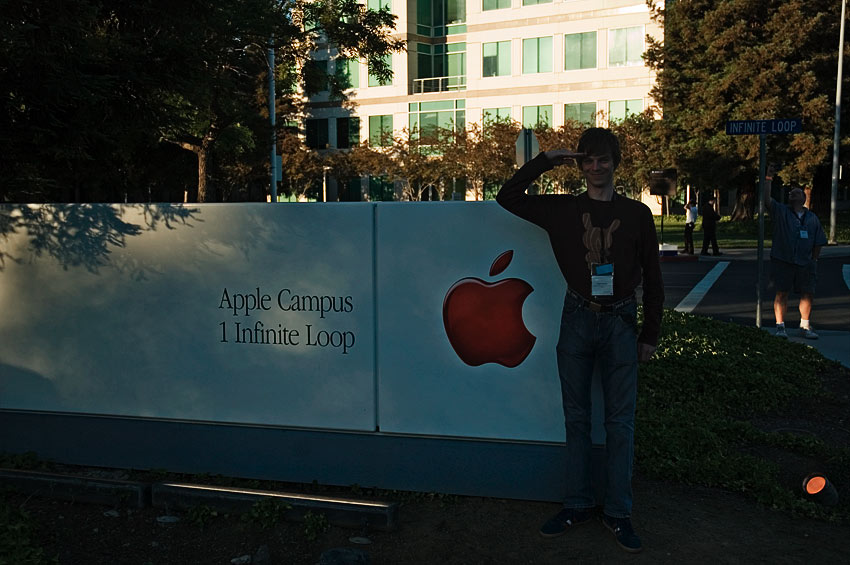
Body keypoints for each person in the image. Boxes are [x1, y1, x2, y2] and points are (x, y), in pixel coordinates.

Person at [496, 128, 664, 554]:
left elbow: (655, 279)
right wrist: (548, 158)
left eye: (603, 159)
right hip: (577, 318)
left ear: (615, 163)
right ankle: (577, 504)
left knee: (620, 422)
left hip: (622, 322)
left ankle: (618, 512)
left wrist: (650, 334)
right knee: (576, 418)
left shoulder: (638, 214)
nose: (595, 167)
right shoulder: (563, 211)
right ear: (580, 165)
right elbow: (508, 196)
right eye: (587, 160)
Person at [763, 171, 827, 339]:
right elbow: (766, 199)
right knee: (782, 292)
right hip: (783, 260)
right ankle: (780, 326)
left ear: (803, 198)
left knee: (807, 293)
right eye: (791, 193)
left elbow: (819, 240)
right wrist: (768, 178)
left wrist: (814, 259)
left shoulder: (811, 218)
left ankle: (805, 325)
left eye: (796, 192)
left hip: (805, 263)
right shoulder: (781, 212)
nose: (792, 194)